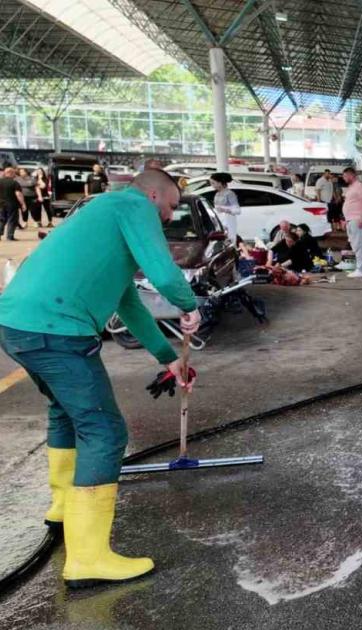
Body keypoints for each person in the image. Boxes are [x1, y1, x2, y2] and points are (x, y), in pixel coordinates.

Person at [0, 169, 200, 589]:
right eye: (170, 206)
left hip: (17, 325)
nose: (168, 217)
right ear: (152, 194)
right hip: (55, 329)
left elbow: (127, 303)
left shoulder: (104, 215)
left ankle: (61, 506)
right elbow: (164, 275)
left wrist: (169, 358)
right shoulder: (132, 205)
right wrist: (189, 304)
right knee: (105, 432)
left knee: (67, 412)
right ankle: (88, 558)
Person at [341, 167, 362, 278]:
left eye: (344, 176)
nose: (343, 178)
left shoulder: (359, 187)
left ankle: (361, 270)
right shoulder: (351, 187)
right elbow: (350, 204)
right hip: (350, 219)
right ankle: (360, 268)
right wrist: (345, 219)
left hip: (357, 219)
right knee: (355, 244)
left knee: (358, 245)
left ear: (350, 175)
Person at [209, 173, 240, 244]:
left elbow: (237, 210)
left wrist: (225, 209)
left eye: (213, 183)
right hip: (219, 221)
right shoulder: (217, 194)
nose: (212, 185)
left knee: (229, 241)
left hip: (228, 220)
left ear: (220, 183)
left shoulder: (230, 194)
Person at [0, 167, 26, 241]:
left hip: (1, 204)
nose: (15, 174)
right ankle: (10, 236)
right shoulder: (14, 183)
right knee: (12, 220)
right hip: (12, 204)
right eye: (14, 173)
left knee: (1, 219)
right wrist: (23, 204)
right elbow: (18, 194)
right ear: (11, 173)